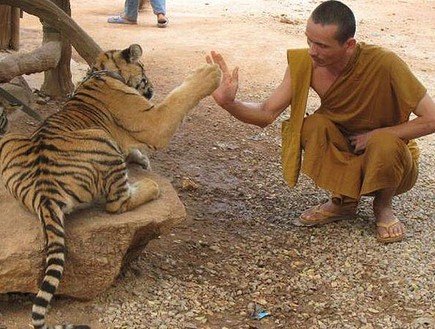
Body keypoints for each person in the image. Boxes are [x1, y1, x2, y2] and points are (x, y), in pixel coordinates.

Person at [206, 0, 435, 243]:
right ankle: (343, 202)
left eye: (322, 45)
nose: (312, 51)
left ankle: (383, 206)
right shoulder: (306, 63)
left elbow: (431, 118)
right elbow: (266, 112)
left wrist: (374, 135)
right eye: (309, 41)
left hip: (392, 161)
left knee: (384, 141)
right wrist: (230, 103)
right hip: (346, 147)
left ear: (349, 45)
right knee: (311, 126)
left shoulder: (385, 63)